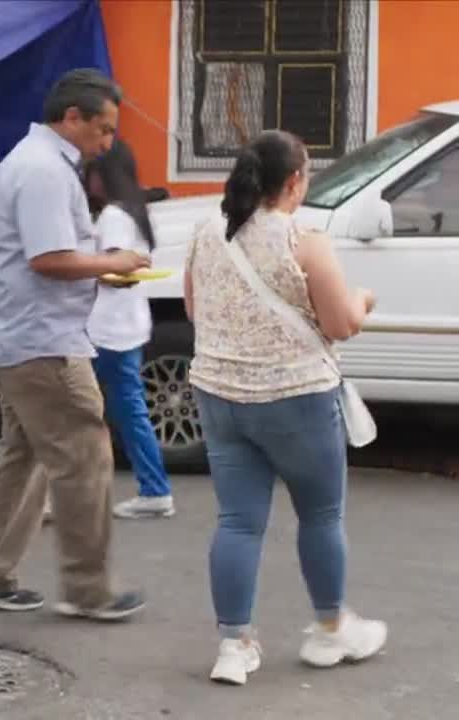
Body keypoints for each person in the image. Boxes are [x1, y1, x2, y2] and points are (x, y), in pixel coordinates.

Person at [184, 130, 386, 686]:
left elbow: (195, 308)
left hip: (219, 394)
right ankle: (329, 630)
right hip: (297, 398)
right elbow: (341, 323)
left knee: (237, 522)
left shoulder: (206, 231)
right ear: (294, 181)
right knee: (321, 515)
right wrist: (364, 299)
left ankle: (234, 645)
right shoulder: (304, 239)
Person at [0, 68, 149, 620]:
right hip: (44, 341)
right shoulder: (43, 170)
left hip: (23, 336)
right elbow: (49, 259)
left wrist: (101, 272)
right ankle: (89, 589)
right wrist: (112, 262)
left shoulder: (34, 162)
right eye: (103, 129)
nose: (107, 143)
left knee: (25, 459)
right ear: (71, 118)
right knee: (84, 455)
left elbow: (47, 257)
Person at [84, 139, 176, 519]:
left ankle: (148, 490)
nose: (87, 178)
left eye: (92, 170)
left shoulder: (112, 217)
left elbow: (113, 271)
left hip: (106, 329)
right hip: (129, 325)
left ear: (104, 174)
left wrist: (79, 269)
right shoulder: (135, 211)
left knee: (77, 412)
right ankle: (154, 488)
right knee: (126, 411)